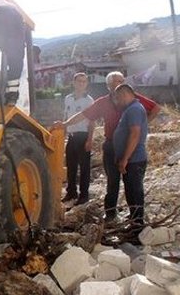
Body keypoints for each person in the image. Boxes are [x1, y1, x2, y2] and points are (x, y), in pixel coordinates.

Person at [53, 71, 161, 223]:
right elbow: (84, 115)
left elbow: (155, 108)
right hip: (111, 145)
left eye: (122, 81)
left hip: (130, 146)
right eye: (117, 82)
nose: (120, 84)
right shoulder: (103, 102)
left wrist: (141, 125)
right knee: (112, 181)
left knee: (132, 184)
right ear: (109, 86)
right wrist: (64, 124)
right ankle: (110, 213)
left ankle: (136, 219)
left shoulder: (131, 99)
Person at [113, 84, 149, 236]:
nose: (117, 101)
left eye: (118, 97)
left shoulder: (134, 109)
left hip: (134, 160)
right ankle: (134, 220)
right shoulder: (130, 109)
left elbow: (135, 134)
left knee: (135, 192)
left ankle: (137, 227)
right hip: (131, 160)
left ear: (125, 94)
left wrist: (125, 158)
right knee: (130, 191)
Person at [62, 73, 95, 205]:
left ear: (86, 84)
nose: (81, 84)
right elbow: (65, 117)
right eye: (79, 81)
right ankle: (71, 192)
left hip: (83, 136)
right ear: (74, 83)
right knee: (71, 166)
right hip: (71, 136)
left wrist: (90, 139)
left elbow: (92, 121)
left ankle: (84, 195)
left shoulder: (89, 101)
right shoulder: (68, 98)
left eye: (84, 82)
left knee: (84, 167)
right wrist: (64, 134)